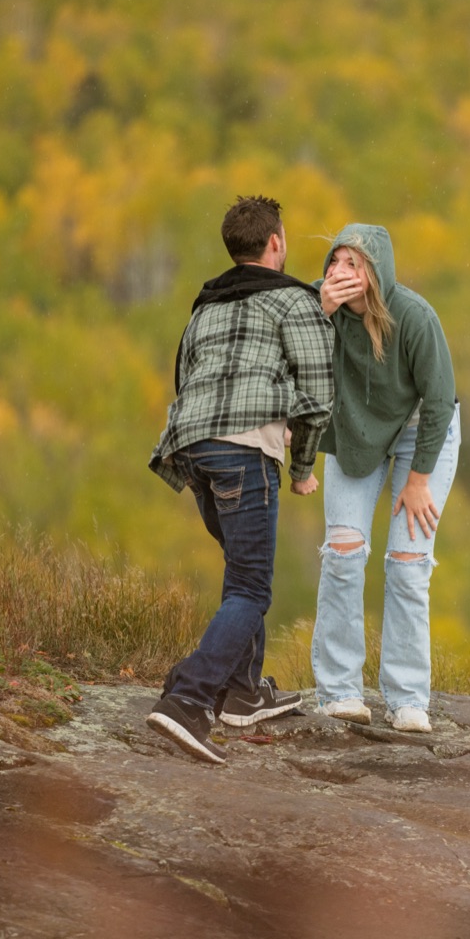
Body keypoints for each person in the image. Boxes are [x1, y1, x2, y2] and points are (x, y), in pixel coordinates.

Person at [145, 195, 335, 764]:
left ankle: (243, 692)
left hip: (191, 448)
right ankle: (188, 698)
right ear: (276, 242)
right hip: (245, 449)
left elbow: (183, 376)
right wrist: (302, 470)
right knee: (252, 588)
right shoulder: (295, 301)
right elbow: (318, 395)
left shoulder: (205, 305)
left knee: (239, 570)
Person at [310, 223, 459, 734]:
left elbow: (440, 400)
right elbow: (284, 350)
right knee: (343, 553)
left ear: (376, 273)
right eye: (335, 261)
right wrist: (320, 310)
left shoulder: (414, 316)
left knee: (408, 563)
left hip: (422, 433)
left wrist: (418, 480)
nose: (339, 271)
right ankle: (339, 693)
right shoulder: (315, 306)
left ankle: (408, 699)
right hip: (356, 427)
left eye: (353, 263)